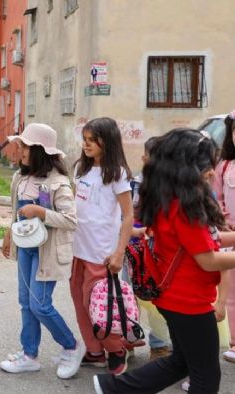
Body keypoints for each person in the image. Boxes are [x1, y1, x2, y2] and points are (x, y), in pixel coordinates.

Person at [92, 128, 235, 393]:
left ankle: (113, 387)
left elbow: (205, 242)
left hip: (175, 298)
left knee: (181, 362)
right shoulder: (185, 207)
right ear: (187, 168)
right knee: (206, 376)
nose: (212, 172)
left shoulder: (171, 199)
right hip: (189, 302)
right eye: (207, 166)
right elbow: (207, 259)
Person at [0, 123, 84, 379]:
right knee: (26, 303)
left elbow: (71, 220)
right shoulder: (19, 178)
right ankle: (30, 355)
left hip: (47, 253)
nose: (20, 150)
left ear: (38, 150)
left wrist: (41, 212)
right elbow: (16, 211)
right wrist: (8, 233)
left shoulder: (58, 183)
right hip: (26, 249)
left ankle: (72, 346)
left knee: (40, 305)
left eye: (24, 146)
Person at [71, 117, 134, 375]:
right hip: (79, 250)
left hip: (101, 254)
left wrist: (119, 252)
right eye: (84, 140)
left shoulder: (117, 173)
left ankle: (116, 349)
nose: (86, 145)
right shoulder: (80, 169)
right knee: (79, 301)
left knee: (98, 305)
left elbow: (128, 215)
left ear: (106, 142)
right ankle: (95, 350)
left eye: (92, 141)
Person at [128, 136, 172, 361]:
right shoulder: (136, 183)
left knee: (157, 297)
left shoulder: (172, 187)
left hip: (160, 249)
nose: (146, 158)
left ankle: (159, 344)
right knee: (132, 295)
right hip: (136, 246)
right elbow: (130, 213)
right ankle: (130, 340)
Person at [212, 110, 235, 362]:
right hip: (230, 235)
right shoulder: (224, 165)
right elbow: (216, 198)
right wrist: (223, 219)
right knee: (230, 292)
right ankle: (234, 340)